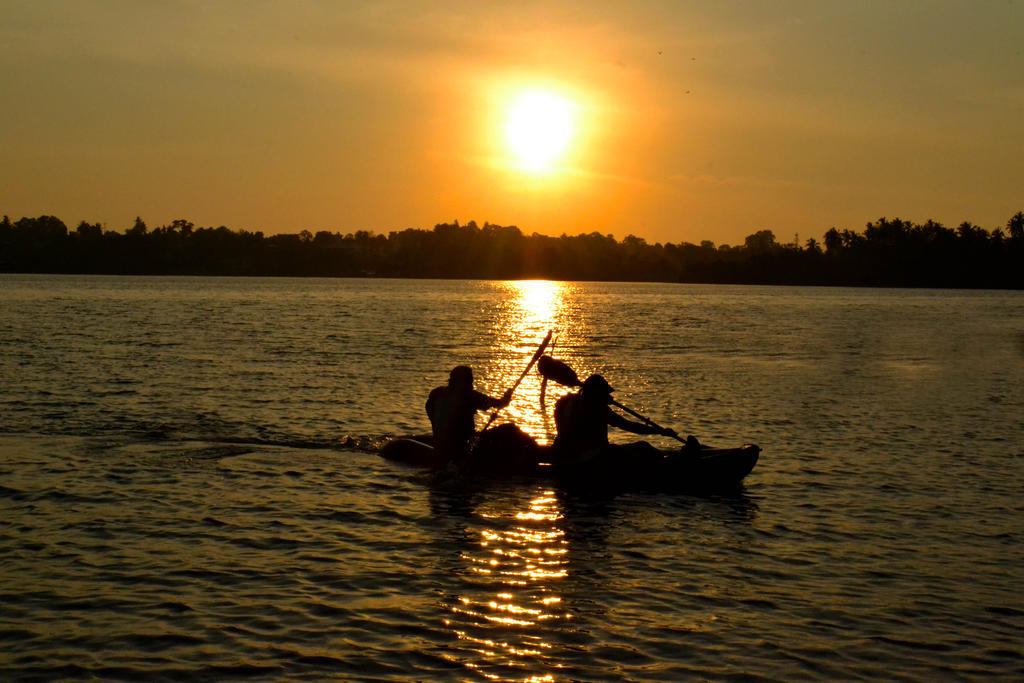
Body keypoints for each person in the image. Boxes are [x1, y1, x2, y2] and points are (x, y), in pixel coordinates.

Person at [552, 373, 677, 464]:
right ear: (597, 394)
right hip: (589, 457)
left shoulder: (567, 403)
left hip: (567, 453)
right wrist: (660, 432)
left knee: (640, 449)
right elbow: (628, 426)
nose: (608, 397)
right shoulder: (597, 409)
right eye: (605, 394)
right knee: (643, 447)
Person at [425, 365, 513, 464]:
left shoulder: (437, 395)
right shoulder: (471, 397)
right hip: (459, 447)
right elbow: (499, 403)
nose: (471, 382)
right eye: (470, 379)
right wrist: (507, 397)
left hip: (440, 444)